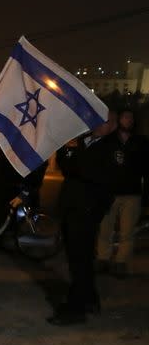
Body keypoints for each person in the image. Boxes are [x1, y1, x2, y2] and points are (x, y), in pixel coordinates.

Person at [48, 112, 117, 325]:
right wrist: (64, 149)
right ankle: (90, 298)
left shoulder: (111, 148)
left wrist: (96, 211)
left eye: (105, 121)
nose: (98, 123)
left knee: (80, 259)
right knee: (78, 257)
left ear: (113, 126)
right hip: (71, 206)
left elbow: (93, 174)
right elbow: (65, 165)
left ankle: (75, 309)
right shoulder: (82, 141)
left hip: (87, 210)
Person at [96, 109, 149, 277]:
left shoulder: (141, 142)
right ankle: (102, 258)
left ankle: (120, 262)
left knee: (127, 231)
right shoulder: (108, 141)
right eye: (126, 117)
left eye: (131, 117)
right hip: (109, 193)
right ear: (119, 119)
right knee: (105, 229)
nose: (129, 120)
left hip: (132, 194)